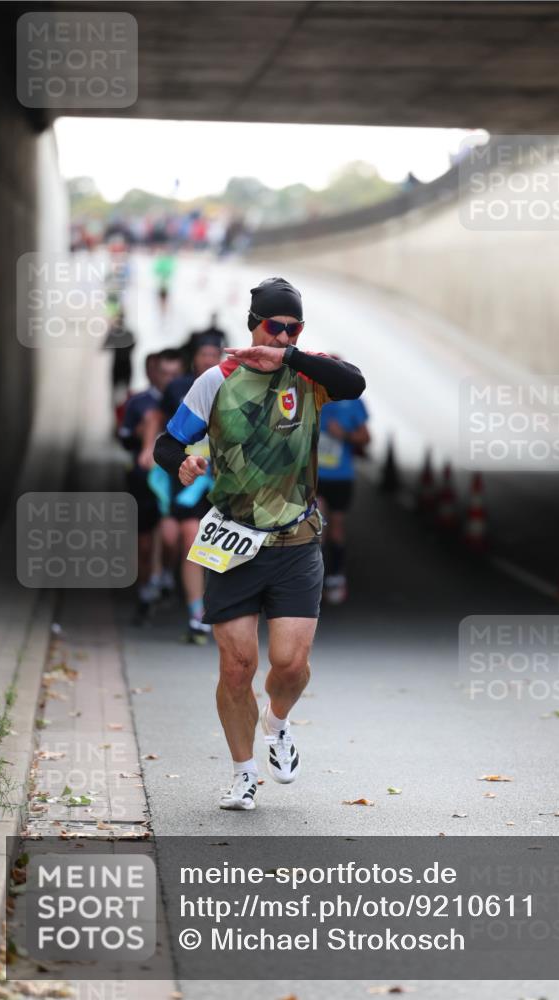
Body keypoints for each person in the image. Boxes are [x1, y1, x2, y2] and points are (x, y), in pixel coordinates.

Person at [154, 277, 365, 811]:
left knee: (290, 665)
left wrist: (290, 355)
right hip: (233, 541)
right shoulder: (216, 380)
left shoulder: (308, 374)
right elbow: (166, 442)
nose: (285, 336)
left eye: (295, 328)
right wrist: (183, 463)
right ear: (254, 324)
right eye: (276, 326)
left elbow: (354, 383)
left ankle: (278, 722)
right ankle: (243, 773)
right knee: (237, 667)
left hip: (296, 542)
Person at [147, 336, 224, 644]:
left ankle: (206, 610)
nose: (208, 359)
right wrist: (149, 448)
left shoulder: (233, 386)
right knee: (181, 536)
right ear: (194, 358)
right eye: (204, 354)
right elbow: (159, 420)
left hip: (222, 480)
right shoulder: (179, 388)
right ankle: (190, 604)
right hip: (187, 475)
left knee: (201, 540)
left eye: (214, 354)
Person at [119, 349, 184, 623]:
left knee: (171, 537)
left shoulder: (188, 401)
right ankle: (145, 592)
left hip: (175, 480)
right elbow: (124, 438)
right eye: (164, 373)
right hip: (143, 480)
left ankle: (167, 575)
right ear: (153, 372)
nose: (169, 380)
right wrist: (142, 436)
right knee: (144, 544)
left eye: (175, 374)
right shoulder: (139, 402)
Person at [317, 391, 370, 604]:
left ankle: (336, 576)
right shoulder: (312, 396)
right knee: (318, 527)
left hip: (341, 477)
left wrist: (343, 435)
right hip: (316, 477)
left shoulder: (353, 403)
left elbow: (366, 438)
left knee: (336, 528)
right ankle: (317, 578)